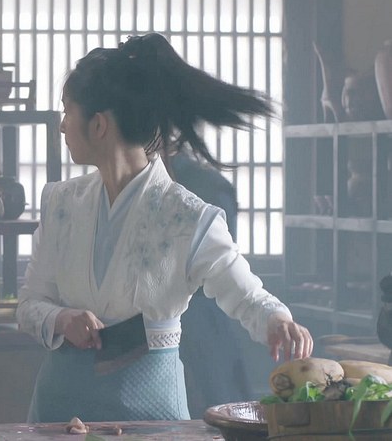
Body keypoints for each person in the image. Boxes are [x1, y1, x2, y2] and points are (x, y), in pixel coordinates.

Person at [16, 33, 314, 423]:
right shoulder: (60, 204)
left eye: (67, 111)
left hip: (151, 413)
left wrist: (278, 321)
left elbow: (246, 295)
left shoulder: (188, 217)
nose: (62, 126)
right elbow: (29, 304)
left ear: (99, 125)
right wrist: (61, 320)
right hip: (60, 407)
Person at [168, 148, 255, 417]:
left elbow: (223, 262)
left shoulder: (208, 186)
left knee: (216, 402)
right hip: (177, 317)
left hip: (202, 314)